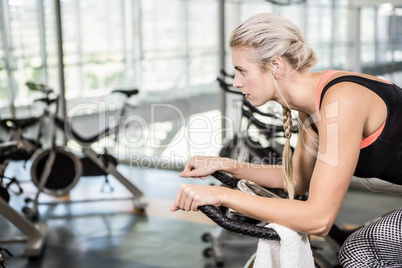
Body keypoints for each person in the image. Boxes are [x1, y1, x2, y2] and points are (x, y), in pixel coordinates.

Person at [170, 13, 402, 267]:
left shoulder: (339, 101)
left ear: (276, 65)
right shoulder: (312, 105)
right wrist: (225, 164)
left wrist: (220, 195)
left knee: (361, 250)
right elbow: (297, 180)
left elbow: (319, 219)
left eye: (242, 71)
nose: (236, 83)